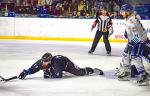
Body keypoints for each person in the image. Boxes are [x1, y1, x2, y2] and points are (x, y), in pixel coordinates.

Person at [116, 4, 150, 85]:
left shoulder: (131, 21)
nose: (121, 13)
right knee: (125, 54)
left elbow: (137, 36)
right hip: (134, 40)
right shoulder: (130, 18)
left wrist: (131, 45)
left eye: (123, 11)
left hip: (139, 42)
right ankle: (127, 73)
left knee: (135, 57)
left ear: (128, 11)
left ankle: (144, 77)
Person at [18, 52, 104, 79]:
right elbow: (33, 69)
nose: (44, 63)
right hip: (58, 66)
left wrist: (49, 74)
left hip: (66, 64)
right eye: (43, 61)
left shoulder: (56, 63)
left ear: (50, 60)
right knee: (46, 75)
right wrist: (25, 73)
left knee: (80, 73)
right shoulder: (41, 62)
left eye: (46, 61)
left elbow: (58, 76)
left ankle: (92, 70)